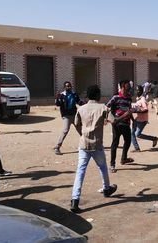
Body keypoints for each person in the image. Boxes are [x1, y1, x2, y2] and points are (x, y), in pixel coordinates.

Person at [70, 85, 117, 213]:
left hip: (84, 144)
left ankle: (75, 200)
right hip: (97, 144)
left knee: (80, 171)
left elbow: (76, 123)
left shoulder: (81, 109)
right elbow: (113, 120)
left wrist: (83, 133)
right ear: (97, 95)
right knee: (102, 167)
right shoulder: (103, 108)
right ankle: (106, 188)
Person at [107, 79, 134, 173]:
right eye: (128, 86)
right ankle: (112, 164)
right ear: (122, 87)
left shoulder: (129, 98)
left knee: (128, 141)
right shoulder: (115, 97)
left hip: (126, 123)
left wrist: (133, 120)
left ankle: (123, 158)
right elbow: (107, 108)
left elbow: (129, 110)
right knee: (115, 143)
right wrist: (111, 120)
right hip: (117, 124)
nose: (130, 87)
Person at [54, 81, 83, 155]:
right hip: (66, 116)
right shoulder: (62, 95)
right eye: (67, 86)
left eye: (70, 86)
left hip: (74, 115)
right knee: (65, 130)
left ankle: (89, 144)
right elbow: (58, 104)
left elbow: (79, 102)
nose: (69, 87)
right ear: (64, 87)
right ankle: (57, 147)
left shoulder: (74, 94)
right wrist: (57, 98)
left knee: (81, 130)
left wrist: (85, 103)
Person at [131, 85, 158, 151]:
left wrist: (137, 111)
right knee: (132, 133)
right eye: (136, 90)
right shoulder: (138, 98)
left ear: (141, 91)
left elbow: (146, 109)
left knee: (138, 134)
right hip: (137, 119)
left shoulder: (142, 99)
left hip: (143, 120)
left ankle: (154, 139)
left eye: (138, 90)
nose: (137, 92)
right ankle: (137, 148)